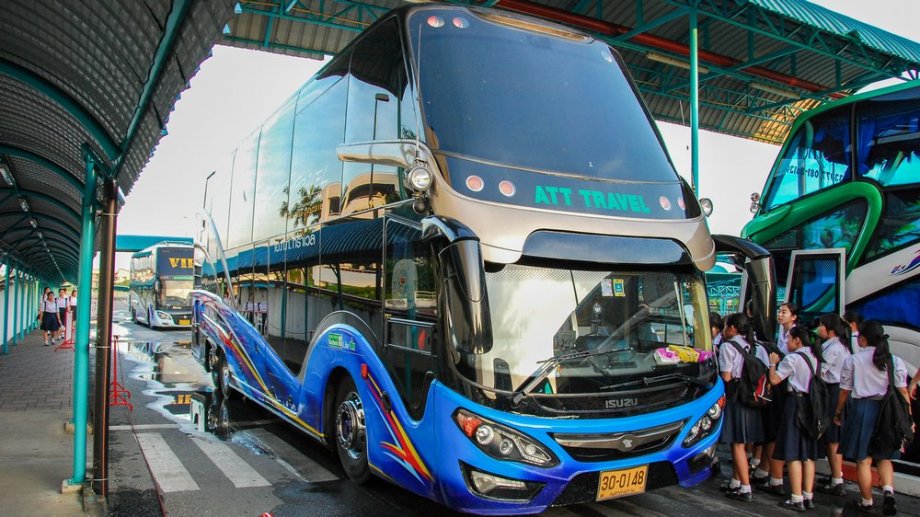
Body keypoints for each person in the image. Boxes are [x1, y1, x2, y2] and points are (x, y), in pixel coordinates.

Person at [836, 320, 909, 515]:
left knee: (864, 459)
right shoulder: (894, 361)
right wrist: (908, 418)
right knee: (884, 456)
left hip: (863, 409)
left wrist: (838, 411)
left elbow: (844, 391)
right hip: (888, 412)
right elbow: (903, 392)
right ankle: (888, 491)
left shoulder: (854, 360)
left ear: (863, 339)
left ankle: (867, 501)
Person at [768, 325, 823, 511]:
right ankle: (808, 496)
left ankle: (796, 497)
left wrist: (773, 364)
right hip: (812, 405)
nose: (787, 343)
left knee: (793, 453)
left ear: (797, 340)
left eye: (789, 339)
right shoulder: (816, 357)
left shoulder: (792, 358)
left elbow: (775, 380)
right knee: (808, 454)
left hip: (795, 404)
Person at [719, 312, 768, 502]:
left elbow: (726, 376)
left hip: (736, 398)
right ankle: (735, 482)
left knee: (737, 444)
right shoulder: (756, 346)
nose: (724, 330)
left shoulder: (727, 347)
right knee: (741, 441)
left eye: (726, 326)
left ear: (732, 328)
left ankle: (746, 488)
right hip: (753, 399)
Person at [816, 313, 852, 497]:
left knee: (832, 437)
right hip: (836, 390)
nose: (818, 329)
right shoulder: (840, 345)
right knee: (832, 437)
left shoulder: (834, 348)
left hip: (833, 392)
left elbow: (820, 371)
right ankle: (835, 476)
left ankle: (837, 480)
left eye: (821, 325)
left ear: (829, 329)